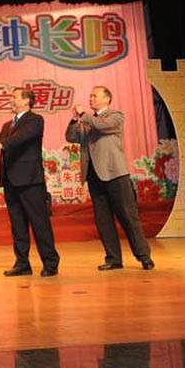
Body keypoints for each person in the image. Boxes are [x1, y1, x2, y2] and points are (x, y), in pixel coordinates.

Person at [0, 87, 60, 278]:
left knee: (39, 222)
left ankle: (50, 263)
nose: (11, 100)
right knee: (18, 225)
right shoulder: (8, 125)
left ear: (26, 101)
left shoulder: (35, 120)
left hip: (30, 180)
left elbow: (20, 138)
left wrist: (1, 144)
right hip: (11, 180)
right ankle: (22, 264)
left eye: (14, 97)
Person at [65, 86, 155, 271]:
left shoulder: (115, 116)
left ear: (106, 99)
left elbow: (103, 126)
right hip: (94, 175)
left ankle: (144, 256)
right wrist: (74, 120)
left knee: (128, 216)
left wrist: (84, 115)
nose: (91, 99)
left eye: (95, 96)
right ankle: (113, 259)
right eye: (90, 96)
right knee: (103, 220)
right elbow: (71, 137)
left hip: (115, 174)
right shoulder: (87, 121)